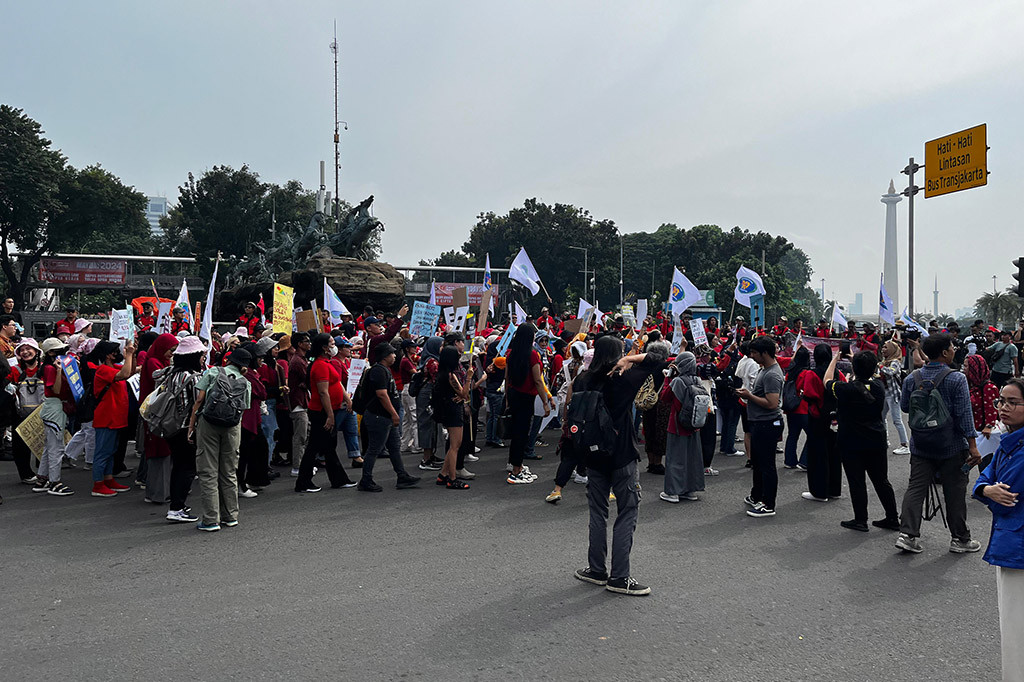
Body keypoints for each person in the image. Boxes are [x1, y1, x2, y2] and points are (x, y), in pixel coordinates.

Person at [571, 336, 667, 596]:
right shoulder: (622, 378)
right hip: (621, 453)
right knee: (627, 511)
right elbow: (660, 360)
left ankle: (596, 569)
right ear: (618, 354)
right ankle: (620, 576)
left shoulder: (583, 378)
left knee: (597, 512)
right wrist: (629, 359)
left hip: (592, 454)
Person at [895, 333, 982, 554]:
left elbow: (905, 407)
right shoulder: (956, 378)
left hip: (921, 445)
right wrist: (972, 445)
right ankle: (960, 539)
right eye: (952, 347)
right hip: (951, 445)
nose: (954, 349)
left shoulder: (911, 378)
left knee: (916, 488)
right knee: (954, 492)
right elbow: (964, 414)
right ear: (944, 353)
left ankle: (908, 534)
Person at [972, 377, 1024, 681]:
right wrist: (986, 489)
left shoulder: (1015, 445)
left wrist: (986, 490)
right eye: (1001, 401)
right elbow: (986, 480)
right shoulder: (1010, 440)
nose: (1003, 407)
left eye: (1012, 402)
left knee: (1016, 630)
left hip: (1016, 547)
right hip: (1010, 543)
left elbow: (1008, 496)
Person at [825, 350, 899, 532]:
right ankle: (892, 518)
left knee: (856, 481)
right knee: (881, 480)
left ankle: (861, 519)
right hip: (876, 439)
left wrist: (835, 358)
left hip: (851, 441)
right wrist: (858, 363)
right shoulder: (878, 387)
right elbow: (868, 375)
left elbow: (826, 381)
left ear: (854, 368)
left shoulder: (845, 388)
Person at [188, 347, 252, 531]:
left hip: (208, 424)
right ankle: (230, 515)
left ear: (229, 360)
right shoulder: (245, 382)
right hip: (232, 427)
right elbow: (244, 408)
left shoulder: (213, 372)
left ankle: (210, 519)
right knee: (229, 471)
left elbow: (200, 399)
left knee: (208, 472)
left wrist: (192, 424)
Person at [294, 333, 355, 493]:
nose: (334, 346)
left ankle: (338, 479)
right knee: (315, 447)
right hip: (321, 412)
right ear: (324, 347)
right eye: (332, 343)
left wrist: (346, 399)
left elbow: (337, 383)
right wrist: (330, 415)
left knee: (327, 447)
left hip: (327, 410)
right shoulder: (320, 365)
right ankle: (304, 482)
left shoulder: (326, 362)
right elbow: (323, 393)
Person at [357, 342, 420, 492]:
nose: (394, 356)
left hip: (385, 417)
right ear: (385, 356)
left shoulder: (385, 370)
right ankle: (366, 480)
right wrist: (394, 413)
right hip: (379, 416)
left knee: (394, 447)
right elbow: (381, 394)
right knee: (374, 449)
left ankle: (402, 476)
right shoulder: (378, 371)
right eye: (392, 354)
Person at [734, 336, 784, 518]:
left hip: (768, 423)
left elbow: (772, 403)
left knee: (767, 464)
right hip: (759, 422)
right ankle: (757, 495)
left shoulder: (772, 374)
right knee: (759, 463)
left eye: (755, 352)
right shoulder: (765, 369)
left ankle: (768, 503)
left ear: (765, 353)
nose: (752, 356)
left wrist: (749, 396)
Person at [162, 336, 205, 523]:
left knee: (178, 466)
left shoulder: (170, 373)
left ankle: (177, 504)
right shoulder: (193, 378)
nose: (203, 358)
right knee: (186, 468)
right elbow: (199, 403)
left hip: (170, 426)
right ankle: (176, 508)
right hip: (186, 428)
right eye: (201, 355)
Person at [505, 324, 554, 484]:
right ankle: (516, 471)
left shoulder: (511, 353)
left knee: (516, 432)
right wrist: (545, 403)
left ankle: (515, 463)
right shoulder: (532, 355)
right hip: (526, 396)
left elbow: (507, 378)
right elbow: (538, 380)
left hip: (513, 394)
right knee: (522, 432)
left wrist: (507, 397)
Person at [89, 340, 137, 498]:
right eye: (116, 351)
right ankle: (98, 484)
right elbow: (124, 374)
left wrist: (132, 354)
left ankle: (108, 479)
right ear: (108, 355)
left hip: (115, 417)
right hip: (106, 418)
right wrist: (129, 354)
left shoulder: (111, 367)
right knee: (103, 452)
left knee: (111, 451)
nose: (119, 354)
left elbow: (129, 372)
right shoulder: (103, 370)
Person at [30, 338, 75, 496]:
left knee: (50, 446)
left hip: (54, 406)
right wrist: (59, 371)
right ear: (51, 353)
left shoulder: (50, 367)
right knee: (56, 447)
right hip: (54, 406)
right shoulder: (50, 368)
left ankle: (42, 478)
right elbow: (56, 390)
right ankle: (54, 481)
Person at [139, 333, 179, 505]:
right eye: (171, 350)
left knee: (163, 452)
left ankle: (161, 491)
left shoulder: (160, 361)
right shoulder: (153, 363)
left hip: (161, 413)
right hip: (156, 413)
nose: (172, 354)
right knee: (158, 452)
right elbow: (160, 379)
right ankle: (156, 493)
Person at [661, 352, 706, 503]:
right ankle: (691, 489)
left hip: (677, 424)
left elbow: (664, 397)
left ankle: (673, 492)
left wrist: (668, 377)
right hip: (694, 423)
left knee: (675, 458)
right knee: (692, 457)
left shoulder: (677, 381)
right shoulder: (697, 380)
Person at [431, 344, 471, 489]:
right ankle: (452, 478)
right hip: (453, 411)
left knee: (454, 445)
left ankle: (443, 474)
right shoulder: (450, 375)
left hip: (448, 408)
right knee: (455, 446)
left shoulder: (442, 373)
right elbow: (464, 393)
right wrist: (469, 378)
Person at [415, 336, 444, 471]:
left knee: (432, 425)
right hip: (427, 395)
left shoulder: (429, 359)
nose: (443, 348)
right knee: (426, 425)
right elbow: (438, 379)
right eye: (441, 345)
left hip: (428, 394)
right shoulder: (432, 362)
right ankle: (426, 459)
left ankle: (430, 455)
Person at [782, 346, 812, 470]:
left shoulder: (790, 372)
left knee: (792, 435)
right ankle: (805, 461)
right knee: (812, 435)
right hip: (803, 408)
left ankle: (790, 460)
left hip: (791, 408)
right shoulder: (806, 373)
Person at [879, 338, 910, 455]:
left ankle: (904, 445)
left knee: (897, 420)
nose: (883, 349)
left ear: (892, 350)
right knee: (881, 417)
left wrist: (881, 368)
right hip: (884, 393)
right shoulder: (884, 361)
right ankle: (884, 440)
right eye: (883, 347)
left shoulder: (895, 362)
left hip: (893, 394)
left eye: (886, 347)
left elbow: (891, 371)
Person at [287, 332, 311, 477]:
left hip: (303, 401)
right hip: (298, 403)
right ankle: (297, 466)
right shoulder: (298, 361)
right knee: (300, 436)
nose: (309, 343)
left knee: (305, 434)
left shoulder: (301, 359)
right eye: (306, 341)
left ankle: (302, 464)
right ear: (299, 344)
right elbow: (308, 379)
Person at [964, 354, 1000, 442]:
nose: (963, 369)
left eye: (965, 366)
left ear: (974, 368)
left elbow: (991, 409)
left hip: (982, 433)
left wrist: (989, 426)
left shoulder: (988, 388)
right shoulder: (971, 385)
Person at [397, 339, 421, 454]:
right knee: (414, 417)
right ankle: (417, 445)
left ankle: (404, 444)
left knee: (407, 418)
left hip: (406, 389)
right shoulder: (406, 361)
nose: (415, 348)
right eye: (413, 346)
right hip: (409, 388)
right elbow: (415, 374)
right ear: (407, 348)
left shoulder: (407, 359)